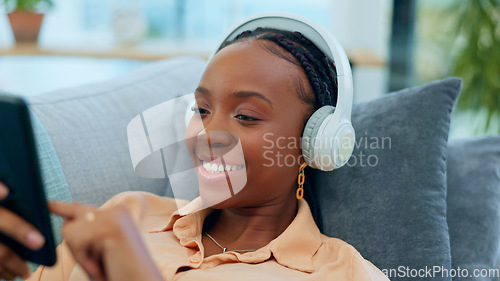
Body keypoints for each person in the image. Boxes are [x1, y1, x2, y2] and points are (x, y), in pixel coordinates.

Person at [0, 14, 389, 281]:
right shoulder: (126, 215)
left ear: (314, 142)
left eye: (247, 116)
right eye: (201, 109)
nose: (207, 134)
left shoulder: (344, 273)